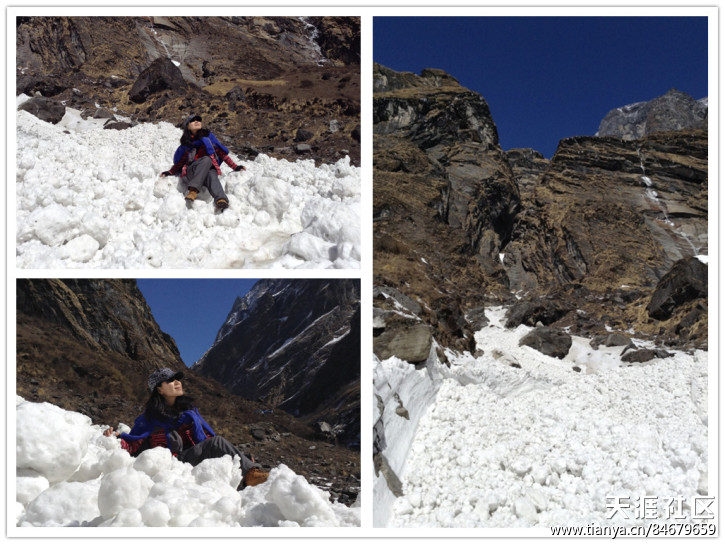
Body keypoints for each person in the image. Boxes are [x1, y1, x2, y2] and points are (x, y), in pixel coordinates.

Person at [104, 367, 268, 488]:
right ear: (159, 390)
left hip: (194, 456)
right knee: (217, 443)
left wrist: (235, 456)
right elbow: (134, 443)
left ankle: (242, 477)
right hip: (176, 463)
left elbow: (204, 439)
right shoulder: (149, 419)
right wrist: (115, 439)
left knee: (221, 448)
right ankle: (251, 474)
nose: (177, 382)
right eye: (170, 380)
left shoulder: (189, 413)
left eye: (178, 379)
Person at [160, 114, 246, 211]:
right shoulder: (187, 143)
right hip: (192, 172)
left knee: (211, 173)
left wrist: (235, 167)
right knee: (207, 159)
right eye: (193, 120)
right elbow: (181, 161)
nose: (197, 121)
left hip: (206, 171)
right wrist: (170, 172)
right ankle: (193, 190)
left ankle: (221, 199)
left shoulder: (208, 139)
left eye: (198, 120)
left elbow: (222, 154)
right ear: (187, 126)